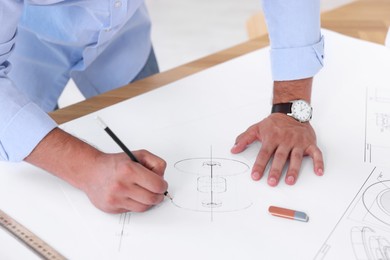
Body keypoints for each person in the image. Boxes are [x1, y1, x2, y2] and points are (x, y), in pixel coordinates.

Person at [0, 0, 324, 214]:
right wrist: (86, 167)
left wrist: (290, 107)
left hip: (121, 35)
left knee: (155, 122)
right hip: (19, 52)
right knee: (31, 189)